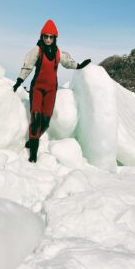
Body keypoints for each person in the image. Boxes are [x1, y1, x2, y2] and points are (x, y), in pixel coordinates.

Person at [13, 19, 91, 163]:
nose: (48, 39)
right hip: (37, 88)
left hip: (51, 90)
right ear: (42, 37)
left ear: (55, 38)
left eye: (51, 37)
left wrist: (79, 66)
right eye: (45, 36)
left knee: (46, 121)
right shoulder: (37, 50)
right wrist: (19, 81)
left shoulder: (58, 53)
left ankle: (33, 139)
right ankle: (33, 155)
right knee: (35, 119)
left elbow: (68, 62)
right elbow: (27, 66)